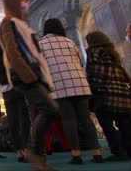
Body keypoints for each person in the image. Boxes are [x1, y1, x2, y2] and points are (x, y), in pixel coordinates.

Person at [0, 0, 58, 171]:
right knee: (50, 110)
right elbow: (12, 51)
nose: (26, 5)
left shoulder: (23, 24)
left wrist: (45, 76)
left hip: (35, 74)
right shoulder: (8, 22)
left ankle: (40, 160)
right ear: (15, 4)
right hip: (24, 75)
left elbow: (34, 53)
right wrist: (27, 75)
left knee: (39, 113)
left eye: (26, 2)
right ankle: (34, 151)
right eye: (22, 2)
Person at [39, 18, 103, 164]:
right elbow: (80, 60)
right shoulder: (69, 41)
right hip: (80, 83)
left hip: (60, 86)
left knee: (69, 120)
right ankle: (97, 153)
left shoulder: (41, 44)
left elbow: (40, 67)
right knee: (85, 119)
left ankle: (76, 154)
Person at [0, 23, 31, 162]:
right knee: (24, 119)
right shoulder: (16, 45)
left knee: (13, 120)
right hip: (20, 86)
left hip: (7, 89)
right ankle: (26, 150)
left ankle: (19, 152)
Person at [86, 31, 131, 161]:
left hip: (106, 95)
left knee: (107, 125)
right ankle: (128, 150)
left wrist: (92, 91)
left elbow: (98, 76)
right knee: (124, 124)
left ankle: (119, 152)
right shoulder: (112, 52)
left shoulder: (95, 52)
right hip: (121, 95)